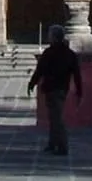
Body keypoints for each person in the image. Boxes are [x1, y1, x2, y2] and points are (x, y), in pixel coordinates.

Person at [26, 25, 82, 157]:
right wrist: (79, 91)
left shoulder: (49, 53)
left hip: (54, 88)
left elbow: (39, 71)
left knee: (57, 118)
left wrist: (31, 84)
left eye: (50, 35)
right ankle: (52, 143)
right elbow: (77, 74)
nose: (48, 37)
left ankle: (62, 146)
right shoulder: (70, 54)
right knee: (53, 116)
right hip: (61, 88)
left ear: (55, 37)